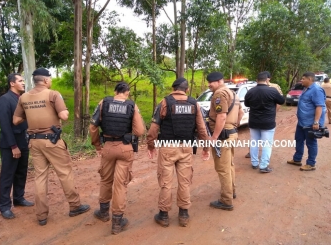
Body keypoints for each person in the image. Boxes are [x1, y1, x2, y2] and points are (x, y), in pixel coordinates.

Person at [13, 68, 90, 226]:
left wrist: (32, 115)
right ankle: (75, 206)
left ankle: (41, 215)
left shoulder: (24, 97)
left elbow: (16, 120)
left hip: (34, 142)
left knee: (40, 177)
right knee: (64, 173)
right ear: (46, 80)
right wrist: (62, 110)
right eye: (50, 79)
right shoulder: (53, 94)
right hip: (52, 141)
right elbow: (64, 116)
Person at [146, 77, 210, 228]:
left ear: (173, 89)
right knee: (185, 181)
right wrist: (206, 148)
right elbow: (202, 129)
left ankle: (163, 216)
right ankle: (184, 215)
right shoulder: (194, 103)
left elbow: (154, 128)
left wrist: (151, 145)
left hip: (167, 147)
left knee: (166, 182)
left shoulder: (165, 102)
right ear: (186, 90)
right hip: (186, 147)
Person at [89, 82, 145, 235]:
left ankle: (103, 212)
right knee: (120, 185)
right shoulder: (131, 105)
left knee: (106, 180)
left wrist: (97, 145)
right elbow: (139, 131)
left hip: (107, 146)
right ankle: (117, 223)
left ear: (115, 92)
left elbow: (93, 127)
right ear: (127, 93)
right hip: (125, 148)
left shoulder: (104, 102)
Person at [0, 73, 34, 219]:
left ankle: (19, 198)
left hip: (23, 141)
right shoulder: (5, 100)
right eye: (20, 81)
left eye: (23, 81)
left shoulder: (21, 99)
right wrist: (13, 146)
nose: (23, 83)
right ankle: (4, 206)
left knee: (21, 172)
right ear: (12, 83)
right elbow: (5, 125)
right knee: (7, 175)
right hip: (10, 144)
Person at [207, 72, 244, 211]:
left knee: (222, 168)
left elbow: (221, 116)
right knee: (229, 165)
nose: (209, 85)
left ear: (218, 81)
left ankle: (226, 200)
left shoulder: (219, 94)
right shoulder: (233, 93)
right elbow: (241, 113)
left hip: (222, 136)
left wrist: (214, 137)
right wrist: (234, 126)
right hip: (231, 133)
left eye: (211, 82)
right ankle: (231, 191)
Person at [244, 72, 285, 173]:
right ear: (267, 80)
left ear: (257, 80)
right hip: (268, 122)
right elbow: (281, 101)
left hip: (254, 121)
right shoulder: (273, 91)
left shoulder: (250, 91)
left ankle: (254, 163)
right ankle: (263, 166)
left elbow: (246, 104)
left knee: (254, 142)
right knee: (266, 144)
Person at [287, 72, 326, 171]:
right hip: (302, 122)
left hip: (310, 123)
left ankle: (311, 163)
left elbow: (319, 106)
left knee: (311, 143)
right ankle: (297, 159)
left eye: (303, 79)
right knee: (299, 140)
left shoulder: (316, 90)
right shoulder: (305, 89)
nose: (301, 80)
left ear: (310, 79)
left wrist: (316, 122)